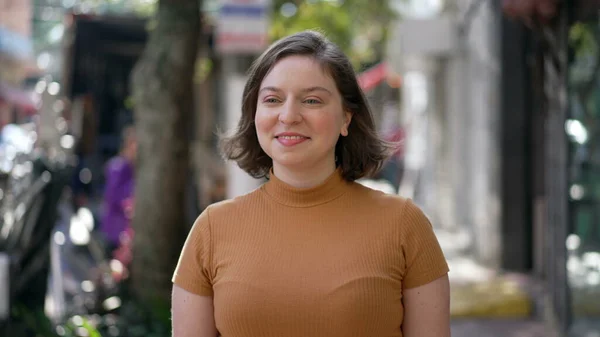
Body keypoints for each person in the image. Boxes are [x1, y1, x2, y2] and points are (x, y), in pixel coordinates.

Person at [172, 30, 450, 337]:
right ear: (255, 114)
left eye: (312, 100)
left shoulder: (404, 224)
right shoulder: (211, 231)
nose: (289, 115)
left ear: (346, 118)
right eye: (273, 99)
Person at [100, 125, 136, 258]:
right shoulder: (117, 167)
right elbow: (113, 196)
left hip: (128, 234)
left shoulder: (135, 170)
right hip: (115, 231)